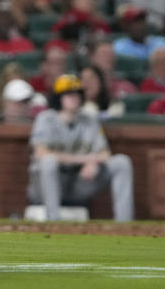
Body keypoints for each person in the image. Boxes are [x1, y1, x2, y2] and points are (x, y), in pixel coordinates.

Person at [26, 74, 134, 222]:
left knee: (121, 162)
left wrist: (93, 162)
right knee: (49, 161)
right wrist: (85, 159)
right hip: (45, 188)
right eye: (69, 94)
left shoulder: (89, 119)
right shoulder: (45, 119)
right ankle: (52, 221)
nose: (74, 98)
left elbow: (105, 154)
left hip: (78, 183)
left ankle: (124, 222)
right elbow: (41, 153)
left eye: (77, 94)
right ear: (59, 97)